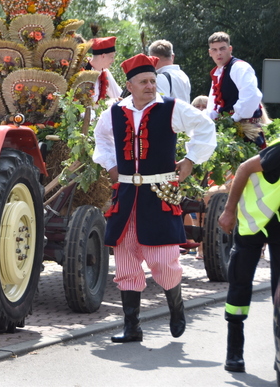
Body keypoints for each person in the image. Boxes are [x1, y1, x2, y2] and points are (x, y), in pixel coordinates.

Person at [93, 53, 216, 343]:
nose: (150, 86)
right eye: (144, 82)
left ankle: (176, 306)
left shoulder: (171, 108)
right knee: (125, 263)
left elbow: (205, 127)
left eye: (153, 80)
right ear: (130, 85)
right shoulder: (113, 112)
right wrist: (110, 164)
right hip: (125, 195)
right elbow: (102, 139)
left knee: (164, 261)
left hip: (159, 194)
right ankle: (132, 326)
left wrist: (189, 161)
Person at [218, 137, 280, 373]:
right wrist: (229, 210)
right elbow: (244, 167)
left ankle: (279, 354)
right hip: (252, 224)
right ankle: (234, 351)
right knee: (240, 284)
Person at [205, 31, 265, 148]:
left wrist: (233, 119)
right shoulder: (218, 73)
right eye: (214, 50)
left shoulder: (239, 67)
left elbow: (251, 96)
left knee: (248, 164)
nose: (219, 53)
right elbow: (212, 106)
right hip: (226, 133)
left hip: (245, 131)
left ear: (230, 49)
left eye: (222, 49)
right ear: (210, 52)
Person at [87, 36, 121, 104]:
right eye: (112, 57)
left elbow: (118, 94)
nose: (113, 61)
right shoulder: (82, 70)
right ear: (103, 56)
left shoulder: (105, 73)